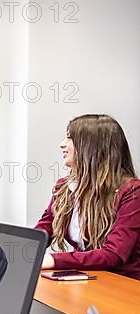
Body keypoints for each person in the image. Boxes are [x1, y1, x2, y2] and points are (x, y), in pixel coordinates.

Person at [36, 114, 139, 280]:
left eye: (69, 138)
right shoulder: (64, 186)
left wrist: (53, 260)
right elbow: (42, 232)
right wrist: (18, 249)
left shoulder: (132, 192)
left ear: (92, 147)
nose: (62, 144)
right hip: (86, 280)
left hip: (123, 285)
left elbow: (112, 255)